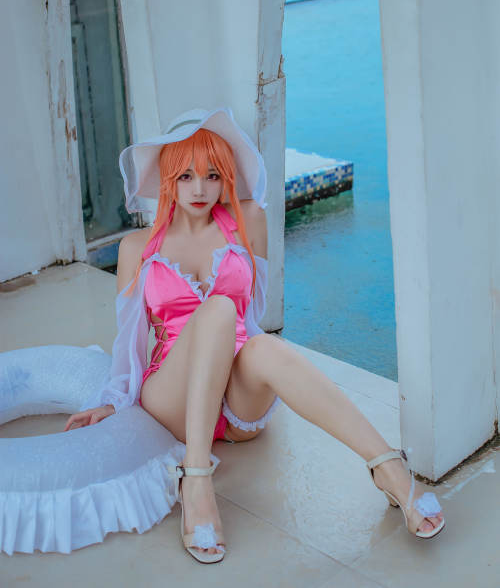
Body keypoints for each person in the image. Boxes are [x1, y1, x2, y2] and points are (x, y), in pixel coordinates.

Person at [64, 107, 445, 564]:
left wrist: (251, 356)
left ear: (226, 177)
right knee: (220, 308)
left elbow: (255, 308)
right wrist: (113, 402)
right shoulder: (137, 247)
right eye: (186, 176)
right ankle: (196, 478)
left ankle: (387, 466)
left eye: (212, 175)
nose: (200, 189)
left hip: (237, 405)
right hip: (174, 399)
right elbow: (129, 341)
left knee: (262, 342)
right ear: (167, 180)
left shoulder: (248, 220)